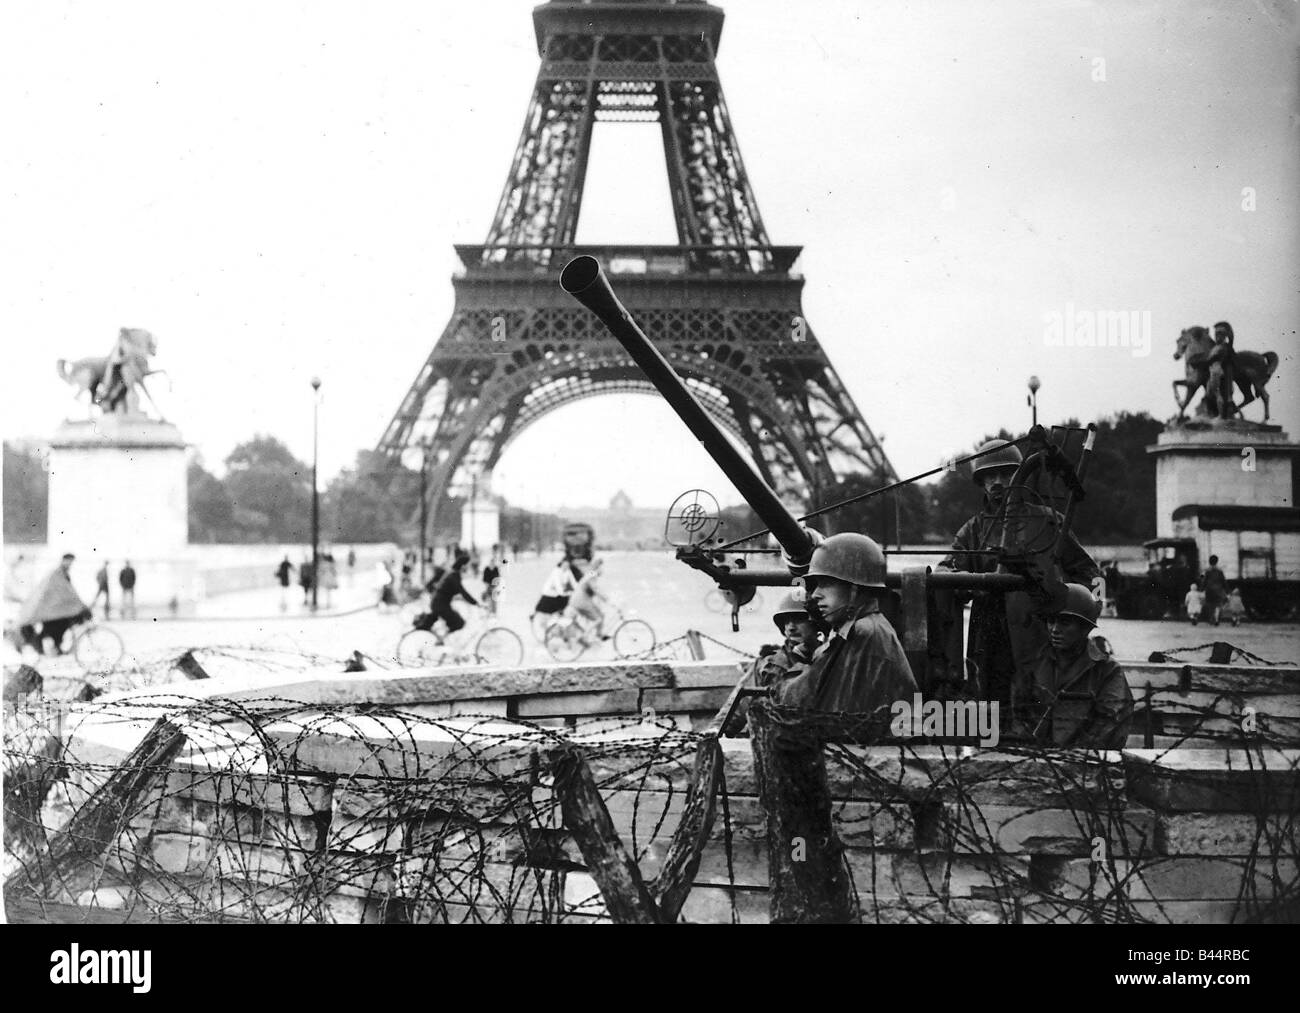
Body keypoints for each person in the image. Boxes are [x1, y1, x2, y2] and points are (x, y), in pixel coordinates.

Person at [939, 439, 1099, 709]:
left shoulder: (1050, 521)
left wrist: (1082, 610)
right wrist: (969, 584)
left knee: (1037, 706)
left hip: (1038, 633)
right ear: (982, 483)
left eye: (1005, 473)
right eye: (990, 476)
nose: (998, 482)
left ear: (1020, 476)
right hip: (987, 634)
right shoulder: (973, 530)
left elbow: (1091, 573)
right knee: (989, 709)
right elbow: (947, 569)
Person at [772, 533, 917, 720]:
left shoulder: (863, 632)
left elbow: (802, 697)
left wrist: (794, 663)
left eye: (826, 584)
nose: (815, 594)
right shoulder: (864, 627)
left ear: (854, 589)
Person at [1026, 584, 1133, 749]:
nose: (1055, 630)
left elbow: (1110, 723)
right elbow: (1018, 714)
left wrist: (1069, 757)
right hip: (1032, 759)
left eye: (1065, 623)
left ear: (1085, 628)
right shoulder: (1034, 664)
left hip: (1084, 763)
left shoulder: (1107, 671)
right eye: (1051, 621)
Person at [17, 553, 93, 655]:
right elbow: (62, 591)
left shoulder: (63, 573)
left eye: (71, 562)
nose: (70, 564)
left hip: (57, 609)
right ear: (63, 560)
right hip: (52, 609)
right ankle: (43, 645)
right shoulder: (57, 573)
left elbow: (69, 592)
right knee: (56, 627)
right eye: (69, 561)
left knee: (61, 626)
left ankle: (54, 647)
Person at [428, 554, 479, 636]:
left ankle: (443, 638)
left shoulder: (453, 573)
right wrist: (475, 603)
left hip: (438, 603)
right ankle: (442, 639)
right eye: (468, 565)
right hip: (440, 605)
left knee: (455, 620)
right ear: (463, 565)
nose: (468, 567)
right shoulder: (454, 576)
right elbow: (462, 591)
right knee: (459, 623)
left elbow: (452, 591)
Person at [567, 558, 611, 643]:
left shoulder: (591, 574)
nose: (603, 570)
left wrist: (603, 598)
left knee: (601, 615)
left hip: (582, 600)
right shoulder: (592, 575)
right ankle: (583, 637)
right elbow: (595, 589)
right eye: (602, 568)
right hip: (581, 601)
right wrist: (606, 599)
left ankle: (599, 635)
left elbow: (596, 589)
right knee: (598, 619)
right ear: (598, 567)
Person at [532, 559, 580, 628]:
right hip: (550, 593)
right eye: (564, 565)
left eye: (568, 565)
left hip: (559, 593)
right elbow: (558, 586)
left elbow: (573, 582)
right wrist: (566, 593)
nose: (566, 567)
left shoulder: (568, 571)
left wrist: (578, 589)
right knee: (558, 606)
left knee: (566, 602)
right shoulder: (556, 572)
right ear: (561, 564)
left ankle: (562, 619)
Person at [1199, 555, 1227, 625]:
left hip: (1209, 590)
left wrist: (1201, 589)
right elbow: (1223, 581)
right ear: (1217, 561)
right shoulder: (1220, 571)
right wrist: (1227, 590)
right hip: (1218, 590)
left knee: (1210, 605)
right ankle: (1216, 619)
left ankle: (1211, 619)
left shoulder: (1207, 570)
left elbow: (1204, 580)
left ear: (1209, 562)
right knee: (1217, 605)